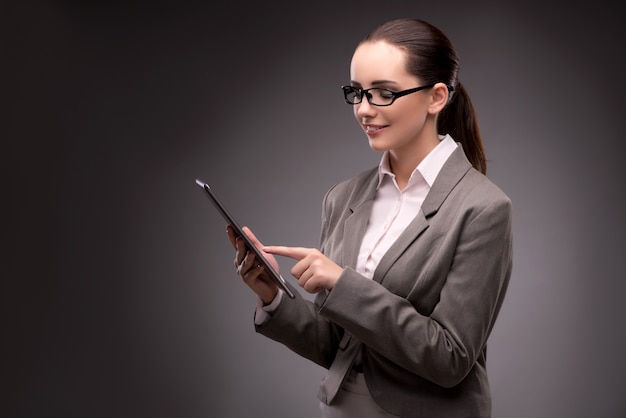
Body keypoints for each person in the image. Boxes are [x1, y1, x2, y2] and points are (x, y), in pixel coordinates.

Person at [226, 17, 512, 418]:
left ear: (437, 97)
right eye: (357, 92)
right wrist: (272, 295)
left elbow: (451, 358)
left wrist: (343, 284)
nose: (363, 109)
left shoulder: (483, 208)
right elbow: (339, 344)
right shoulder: (343, 197)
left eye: (383, 93)